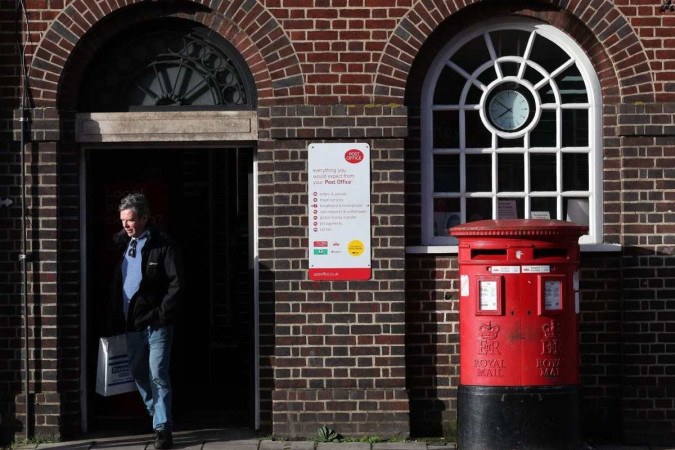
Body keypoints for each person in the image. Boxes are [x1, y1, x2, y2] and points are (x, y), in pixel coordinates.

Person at [108, 192, 184, 449]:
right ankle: (156, 412)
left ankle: (162, 428)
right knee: (139, 373)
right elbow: (116, 284)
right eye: (122, 221)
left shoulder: (162, 243)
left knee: (158, 374)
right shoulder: (120, 243)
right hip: (132, 322)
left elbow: (176, 283)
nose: (126, 225)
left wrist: (162, 314)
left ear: (144, 218)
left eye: (130, 220)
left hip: (157, 323)